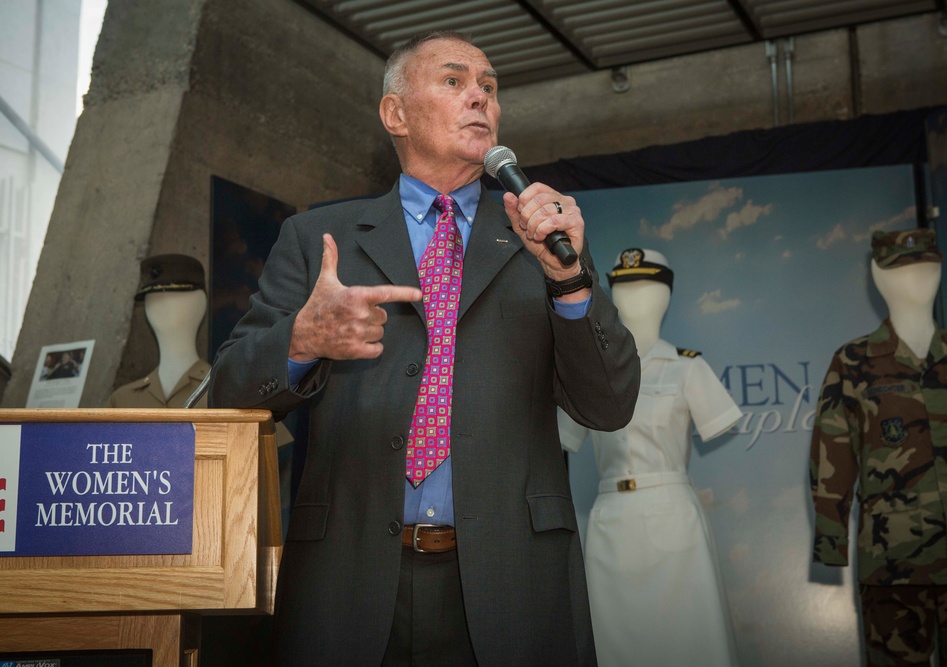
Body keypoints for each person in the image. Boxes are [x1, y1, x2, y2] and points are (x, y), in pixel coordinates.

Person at [208, 30, 640, 666]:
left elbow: (608, 405)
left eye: (489, 88)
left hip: (511, 585)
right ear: (395, 114)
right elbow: (230, 391)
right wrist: (304, 339)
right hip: (347, 585)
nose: (480, 99)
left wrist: (568, 281)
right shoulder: (317, 238)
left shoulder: (538, 240)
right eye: (454, 81)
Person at [810, 229, 947, 666]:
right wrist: (831, 541)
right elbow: (832, 455)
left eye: (927, 267)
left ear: (940, 269)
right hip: (894, 562)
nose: (917, 280)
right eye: (901, 269)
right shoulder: (853, 361)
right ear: (878, 274)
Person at [560, 248, 742, 667]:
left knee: (690, 641)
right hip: (611, 522)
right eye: (623, 287)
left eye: (646, 286)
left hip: (673, 517)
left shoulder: (688, 368)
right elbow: (566, 436)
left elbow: (718, 420)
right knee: (613, 643)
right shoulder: (590, 372)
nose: (634, 298)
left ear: (666, 295)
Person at [107, 254, 212, 408]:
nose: (159, 305)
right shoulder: (122, 401)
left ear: (200, 304)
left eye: (173, 296)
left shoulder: (221, 393)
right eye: (152, 298)